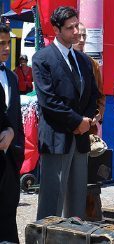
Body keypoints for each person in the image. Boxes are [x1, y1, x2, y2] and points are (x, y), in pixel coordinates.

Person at [33, 6, 98, 220]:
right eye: (70, 28)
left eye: (77, 26)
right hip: (56, 139)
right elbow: (48, 101)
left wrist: (87, 120)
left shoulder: (83, 61)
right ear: (56, 30)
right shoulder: (42, 59)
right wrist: (77, 122)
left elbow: (92, 94)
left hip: (80, 140)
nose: (77, 32)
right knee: (52, 202)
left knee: (77, 203)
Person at [0, 23, 24, 243]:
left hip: (10, 159)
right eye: (1, 44)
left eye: (8, 43)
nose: (6, 48)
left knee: (8, 213)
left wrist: (18, 150)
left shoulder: (13, 77)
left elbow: (16, 118)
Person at [73, 22, 105, 135]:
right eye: (79, 36)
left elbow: (100, 95)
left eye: (84, 35)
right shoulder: (63, 62)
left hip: (89, 126)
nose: (82, 40)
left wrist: (99, 113)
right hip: (69, 124)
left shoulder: (92, 64)